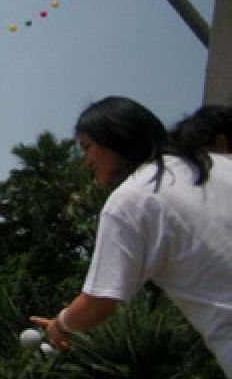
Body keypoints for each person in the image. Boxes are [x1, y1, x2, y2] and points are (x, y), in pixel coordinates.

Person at [31, 96, 232, 374]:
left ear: (116, 138)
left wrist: (60, 325)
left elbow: (97, 304)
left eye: (87, 147)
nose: (86, 161)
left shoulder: (131, 199)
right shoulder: (219, 164)